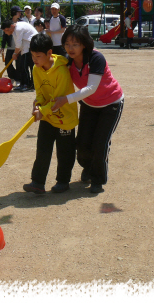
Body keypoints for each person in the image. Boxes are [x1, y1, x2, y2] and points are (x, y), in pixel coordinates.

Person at [51, 25, 124, 194]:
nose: (70, 48)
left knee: (100, 144)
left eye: (75, 44)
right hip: (89, 105)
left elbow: (91, 87)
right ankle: (89, 167)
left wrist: (65, 100)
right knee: (82, 144)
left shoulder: (96, 58)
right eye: (67, 44)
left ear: (84, 44)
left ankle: (98, 179)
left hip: (111, 104)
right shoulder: (67, 61)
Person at [23, 32, 78, 194]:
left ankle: (63, 181)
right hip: (47, 116)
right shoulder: (36, 68)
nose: (34, 59)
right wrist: (37, 104)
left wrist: (43, 111)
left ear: (49, 53)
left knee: (65, 152)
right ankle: (38, 182)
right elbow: (40, 92)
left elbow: (58, 101)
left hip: (64, 117)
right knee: (43, 149)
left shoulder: (61, 71)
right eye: (32, 55)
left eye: (38, 56)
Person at [1, 19, 37, 92]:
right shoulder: (14, 31)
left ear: (11, 26)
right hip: (25, 47)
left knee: (25, 66)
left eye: (6, 30)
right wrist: (16, 53)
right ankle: (23, 83)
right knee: (22, 66)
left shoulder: (18, 28)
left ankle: (29, 85)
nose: (5, 32)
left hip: (31, 46)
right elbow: (18, 45)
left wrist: (14, 54)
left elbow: (19, 44)